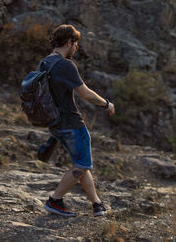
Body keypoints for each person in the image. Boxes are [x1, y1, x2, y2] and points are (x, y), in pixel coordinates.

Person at [38, 24, 115, 217]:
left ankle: (97, 204)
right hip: (71, 124)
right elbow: (85, 94)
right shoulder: (65, 65)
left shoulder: (45, 63)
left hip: (54, 123)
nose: (76, 48)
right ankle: (55, 201)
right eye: (76, 44)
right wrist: (107, 104)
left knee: (81, 163)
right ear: (69, 42)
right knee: (81, 166)